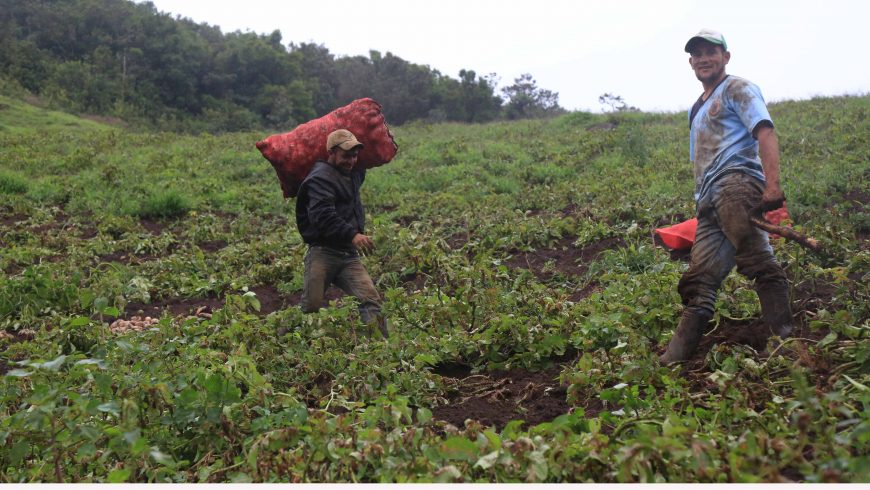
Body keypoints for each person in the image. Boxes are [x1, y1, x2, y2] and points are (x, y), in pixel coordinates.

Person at [660, 29, 792, 363]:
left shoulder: (737, 88)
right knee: (699, 281)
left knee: (759, 263)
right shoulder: (697, 109)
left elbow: (765, 131)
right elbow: (702, 162)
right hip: (709, 202)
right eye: (698, 54)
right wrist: (701, 208)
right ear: (691, 62)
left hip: (736, 185)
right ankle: (672, 361)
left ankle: (787, 345)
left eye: (711, 52)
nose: (704, 59)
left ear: (726, 57)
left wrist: (772, 188)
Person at [294, 129, 388, 339]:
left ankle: (381, 349)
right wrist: (353, 235)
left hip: (348, 255)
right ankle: (288, 341)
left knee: (370, 300)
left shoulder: (354, 173)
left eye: (355, 155)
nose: (351, 160)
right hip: (323, 253)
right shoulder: (319, 179)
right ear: (332, 152)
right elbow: (322, 216)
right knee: (311, 307)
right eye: (346, 155)